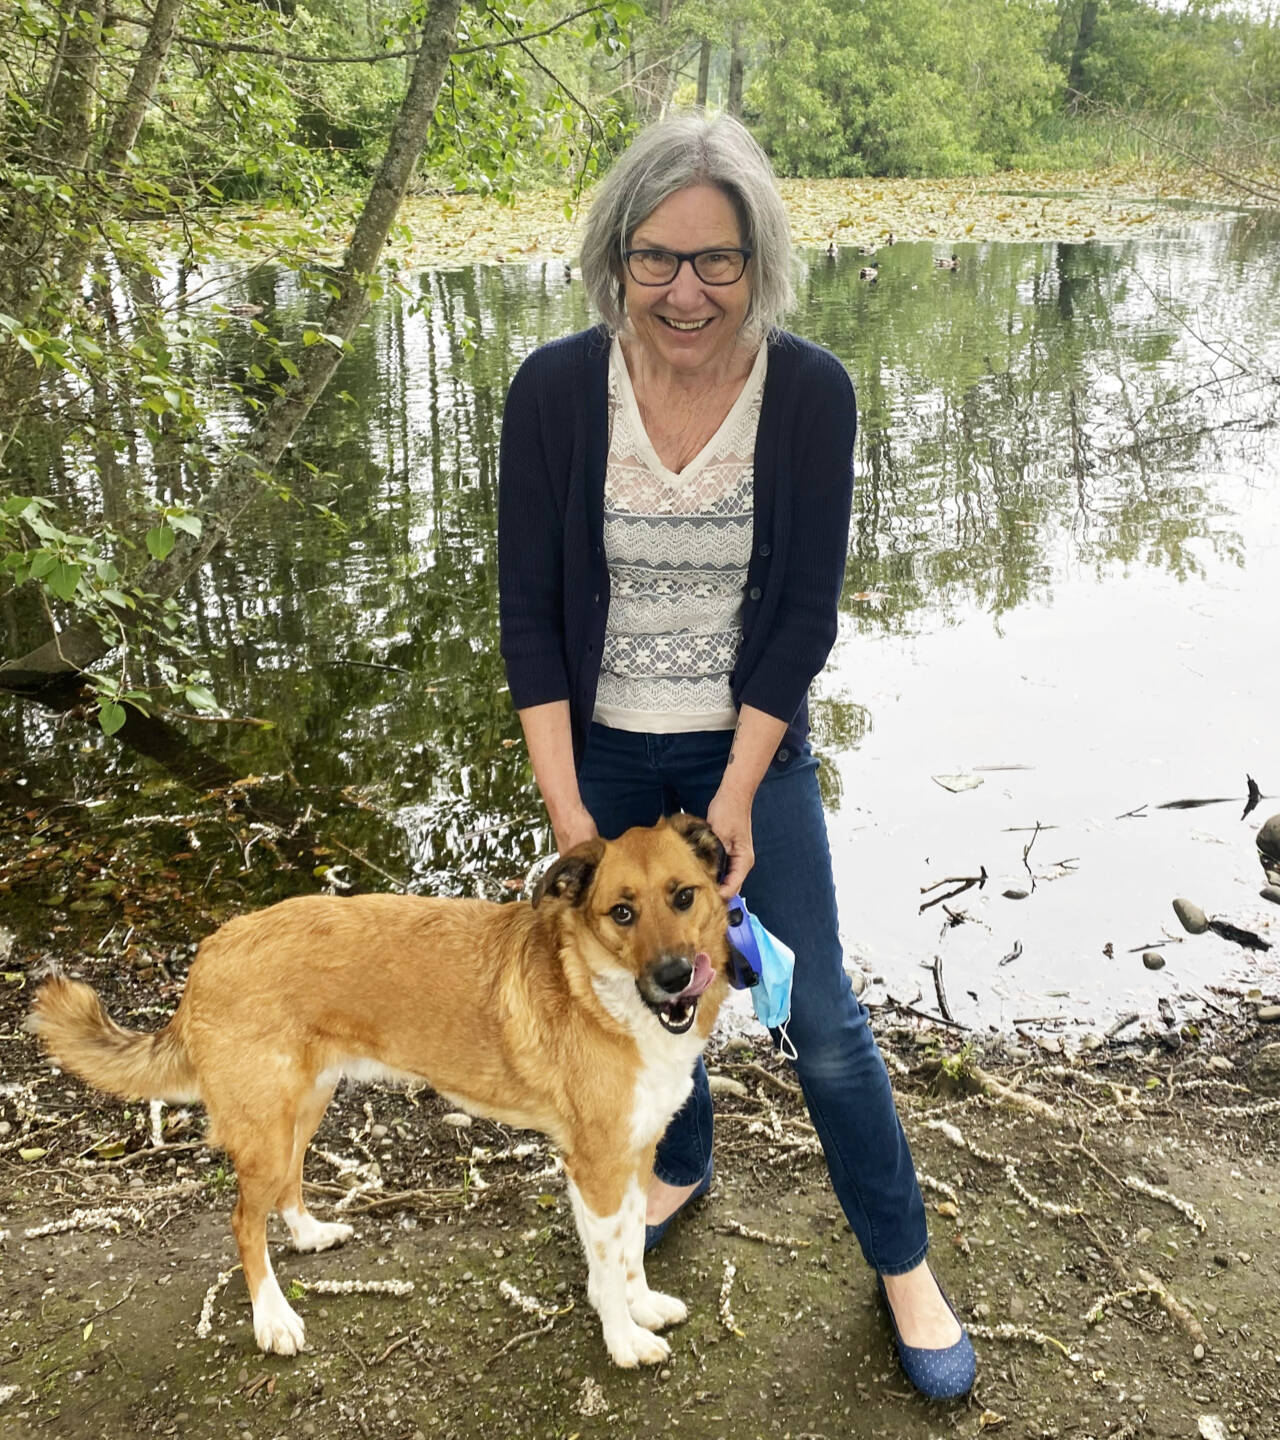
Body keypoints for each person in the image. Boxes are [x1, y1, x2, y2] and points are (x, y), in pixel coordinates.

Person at [496, 112, 975, 1401]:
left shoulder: (810, 392)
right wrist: (572, 823)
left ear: (760, 262)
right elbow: (531, 624)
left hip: (750, 751)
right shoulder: (552, 392)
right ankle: (680, 1161)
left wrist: (736, 798)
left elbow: (802, 619)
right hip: (598, 757)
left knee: (816, 1018)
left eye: (719, 262)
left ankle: (905, 1266)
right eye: (657, 259)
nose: (687, 291)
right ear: (615, 258)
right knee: (651, 990)